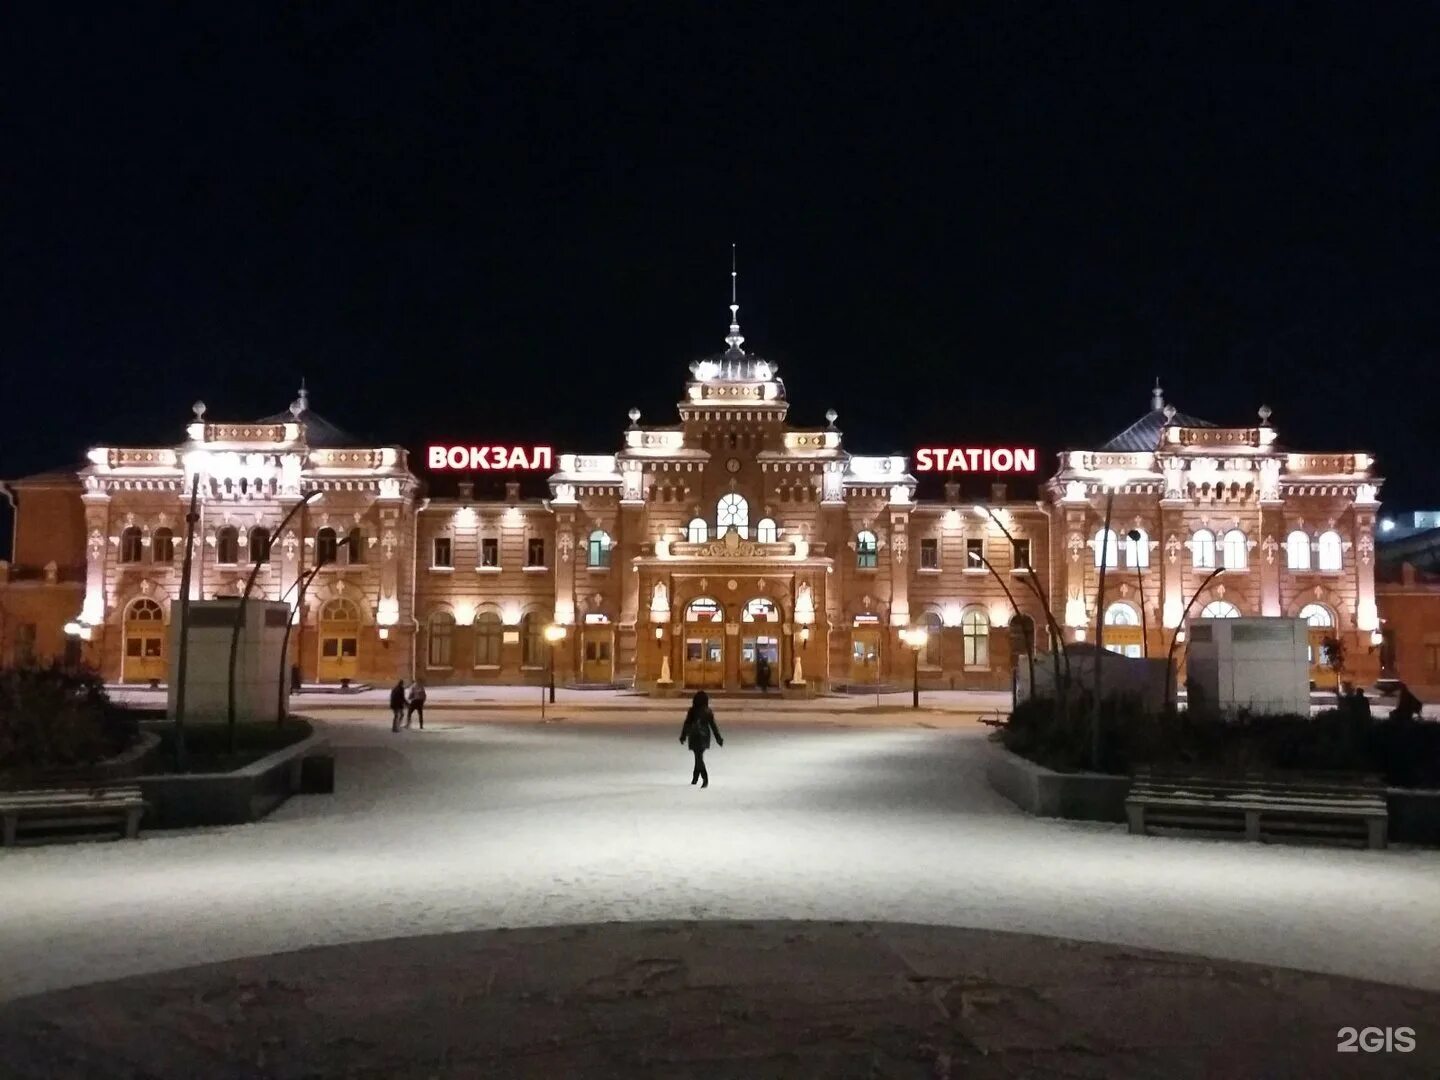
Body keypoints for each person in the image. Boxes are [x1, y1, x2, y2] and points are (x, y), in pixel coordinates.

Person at [679, 690, 723, 787]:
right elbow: (713, 726)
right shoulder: (708, 711)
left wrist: (683, 736)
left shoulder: (692, 711)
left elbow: (687, 724)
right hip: (704, 736)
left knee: (698, 757)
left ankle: (704, 778)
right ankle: (695, 778)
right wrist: (718, 738)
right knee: (698, 757)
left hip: (694, 736)